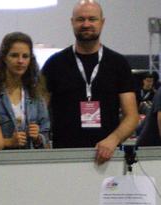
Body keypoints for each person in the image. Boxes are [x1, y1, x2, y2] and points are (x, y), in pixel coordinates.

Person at [41, 0, 138, 165]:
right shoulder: (54, 64)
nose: (86, 24)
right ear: (72, 22)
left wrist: (113, 139)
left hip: (107, 156)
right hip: (63, 157)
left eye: (92, 19)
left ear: (102, 22)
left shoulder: (118, 63)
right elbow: (39, 111)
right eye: (80, 19)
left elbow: (132, 116)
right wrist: (43, 143)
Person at [0, 32, 51, 149]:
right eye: (14, 55)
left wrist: (38, 137)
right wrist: (8, 142)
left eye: (25, 56)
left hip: (29, 162)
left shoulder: (36, 94)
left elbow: (46, 134)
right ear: (4, 58)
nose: (20, 61)